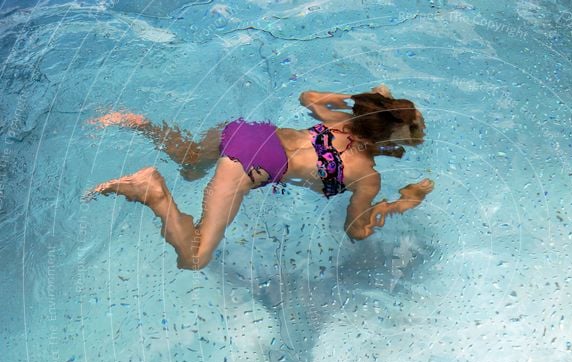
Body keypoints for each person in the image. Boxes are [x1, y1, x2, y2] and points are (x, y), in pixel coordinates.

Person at [84, 85, 434, 270]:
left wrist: (359, 100)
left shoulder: (335, 120)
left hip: (245, 132)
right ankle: (153, 191)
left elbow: (307, 96)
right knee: (194, 258)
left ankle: (136, 121)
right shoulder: (366, 176)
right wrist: (403, 201)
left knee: (190, 164)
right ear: (389, 137)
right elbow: (355, 230)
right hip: (253, 162)